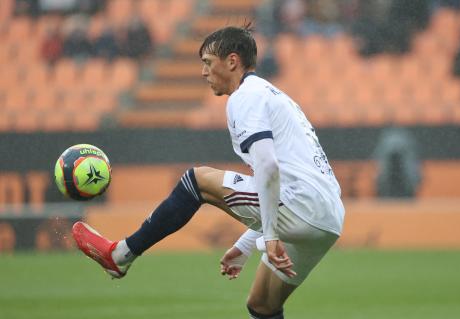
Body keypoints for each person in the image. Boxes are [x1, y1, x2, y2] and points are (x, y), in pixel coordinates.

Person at [73, 24, 345, 319]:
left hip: (303, 206)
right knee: (262, 305)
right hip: (328, 218)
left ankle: (121, 255)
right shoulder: (271, 95)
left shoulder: (246, 97)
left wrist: (268, 237)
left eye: (207, 63)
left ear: (231, 61)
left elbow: (268, 168)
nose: (203, 72)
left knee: (196, 181)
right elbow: (274, 185)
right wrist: (245, 244)